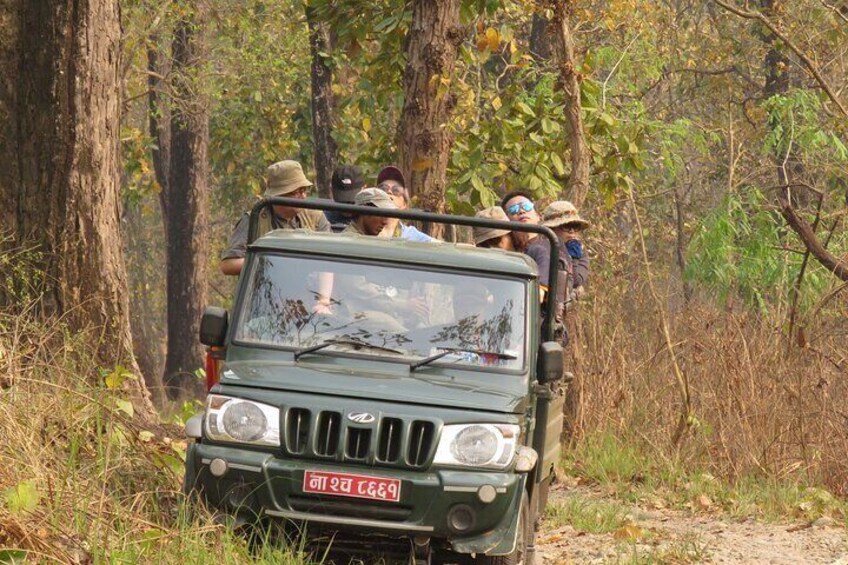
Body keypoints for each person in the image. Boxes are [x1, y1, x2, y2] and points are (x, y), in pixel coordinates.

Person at [220, 160, 330, 276]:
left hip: (309, 289)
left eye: (304, 190)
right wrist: (269, 261)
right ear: (279, 194)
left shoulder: (315, 218)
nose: (303, 196)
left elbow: (330, 260)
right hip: (266, 288)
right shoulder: (254, 220)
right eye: (296, 192)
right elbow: (228, 265)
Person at [541, 200, 591, 296]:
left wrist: (574, 258)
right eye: (567, 226)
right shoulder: (540, 247)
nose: (572, 231)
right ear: (552, 229)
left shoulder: (580, 250)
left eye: (575, 226)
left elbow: (577, 281)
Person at [376, 165, 434, 242]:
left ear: (404, 204)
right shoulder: (362, 228)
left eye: (396, 190)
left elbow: (442, 247)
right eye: (383, 189)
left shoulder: (412, 236)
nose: (389, 192)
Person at [325, 164, 364, 232]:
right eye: (342, 201)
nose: (347, 206)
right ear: (331, 190)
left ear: (363, 189)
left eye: (352, 202)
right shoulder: (323, 218)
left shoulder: (370, 219)